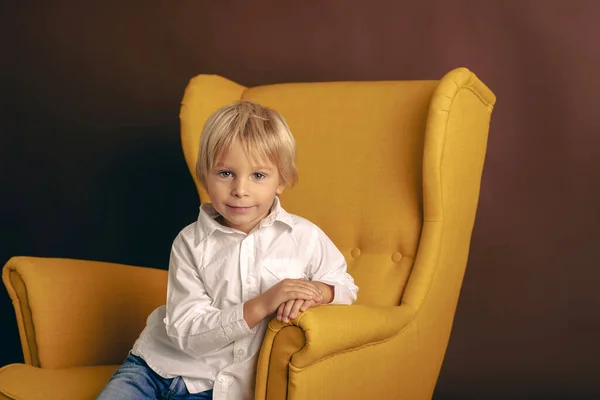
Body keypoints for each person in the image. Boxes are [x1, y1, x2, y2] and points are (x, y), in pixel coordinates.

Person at [97, 100, 358, 400]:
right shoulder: (189, 243)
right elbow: (187, 333)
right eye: (225, 173)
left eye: (258, 176)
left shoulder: (304, 237)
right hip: (154, 367)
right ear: (205, 175)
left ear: (282, 180)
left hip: (219, 388)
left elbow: (344, 286)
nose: (240, 190)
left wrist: (317, 292)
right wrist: (262, 304)